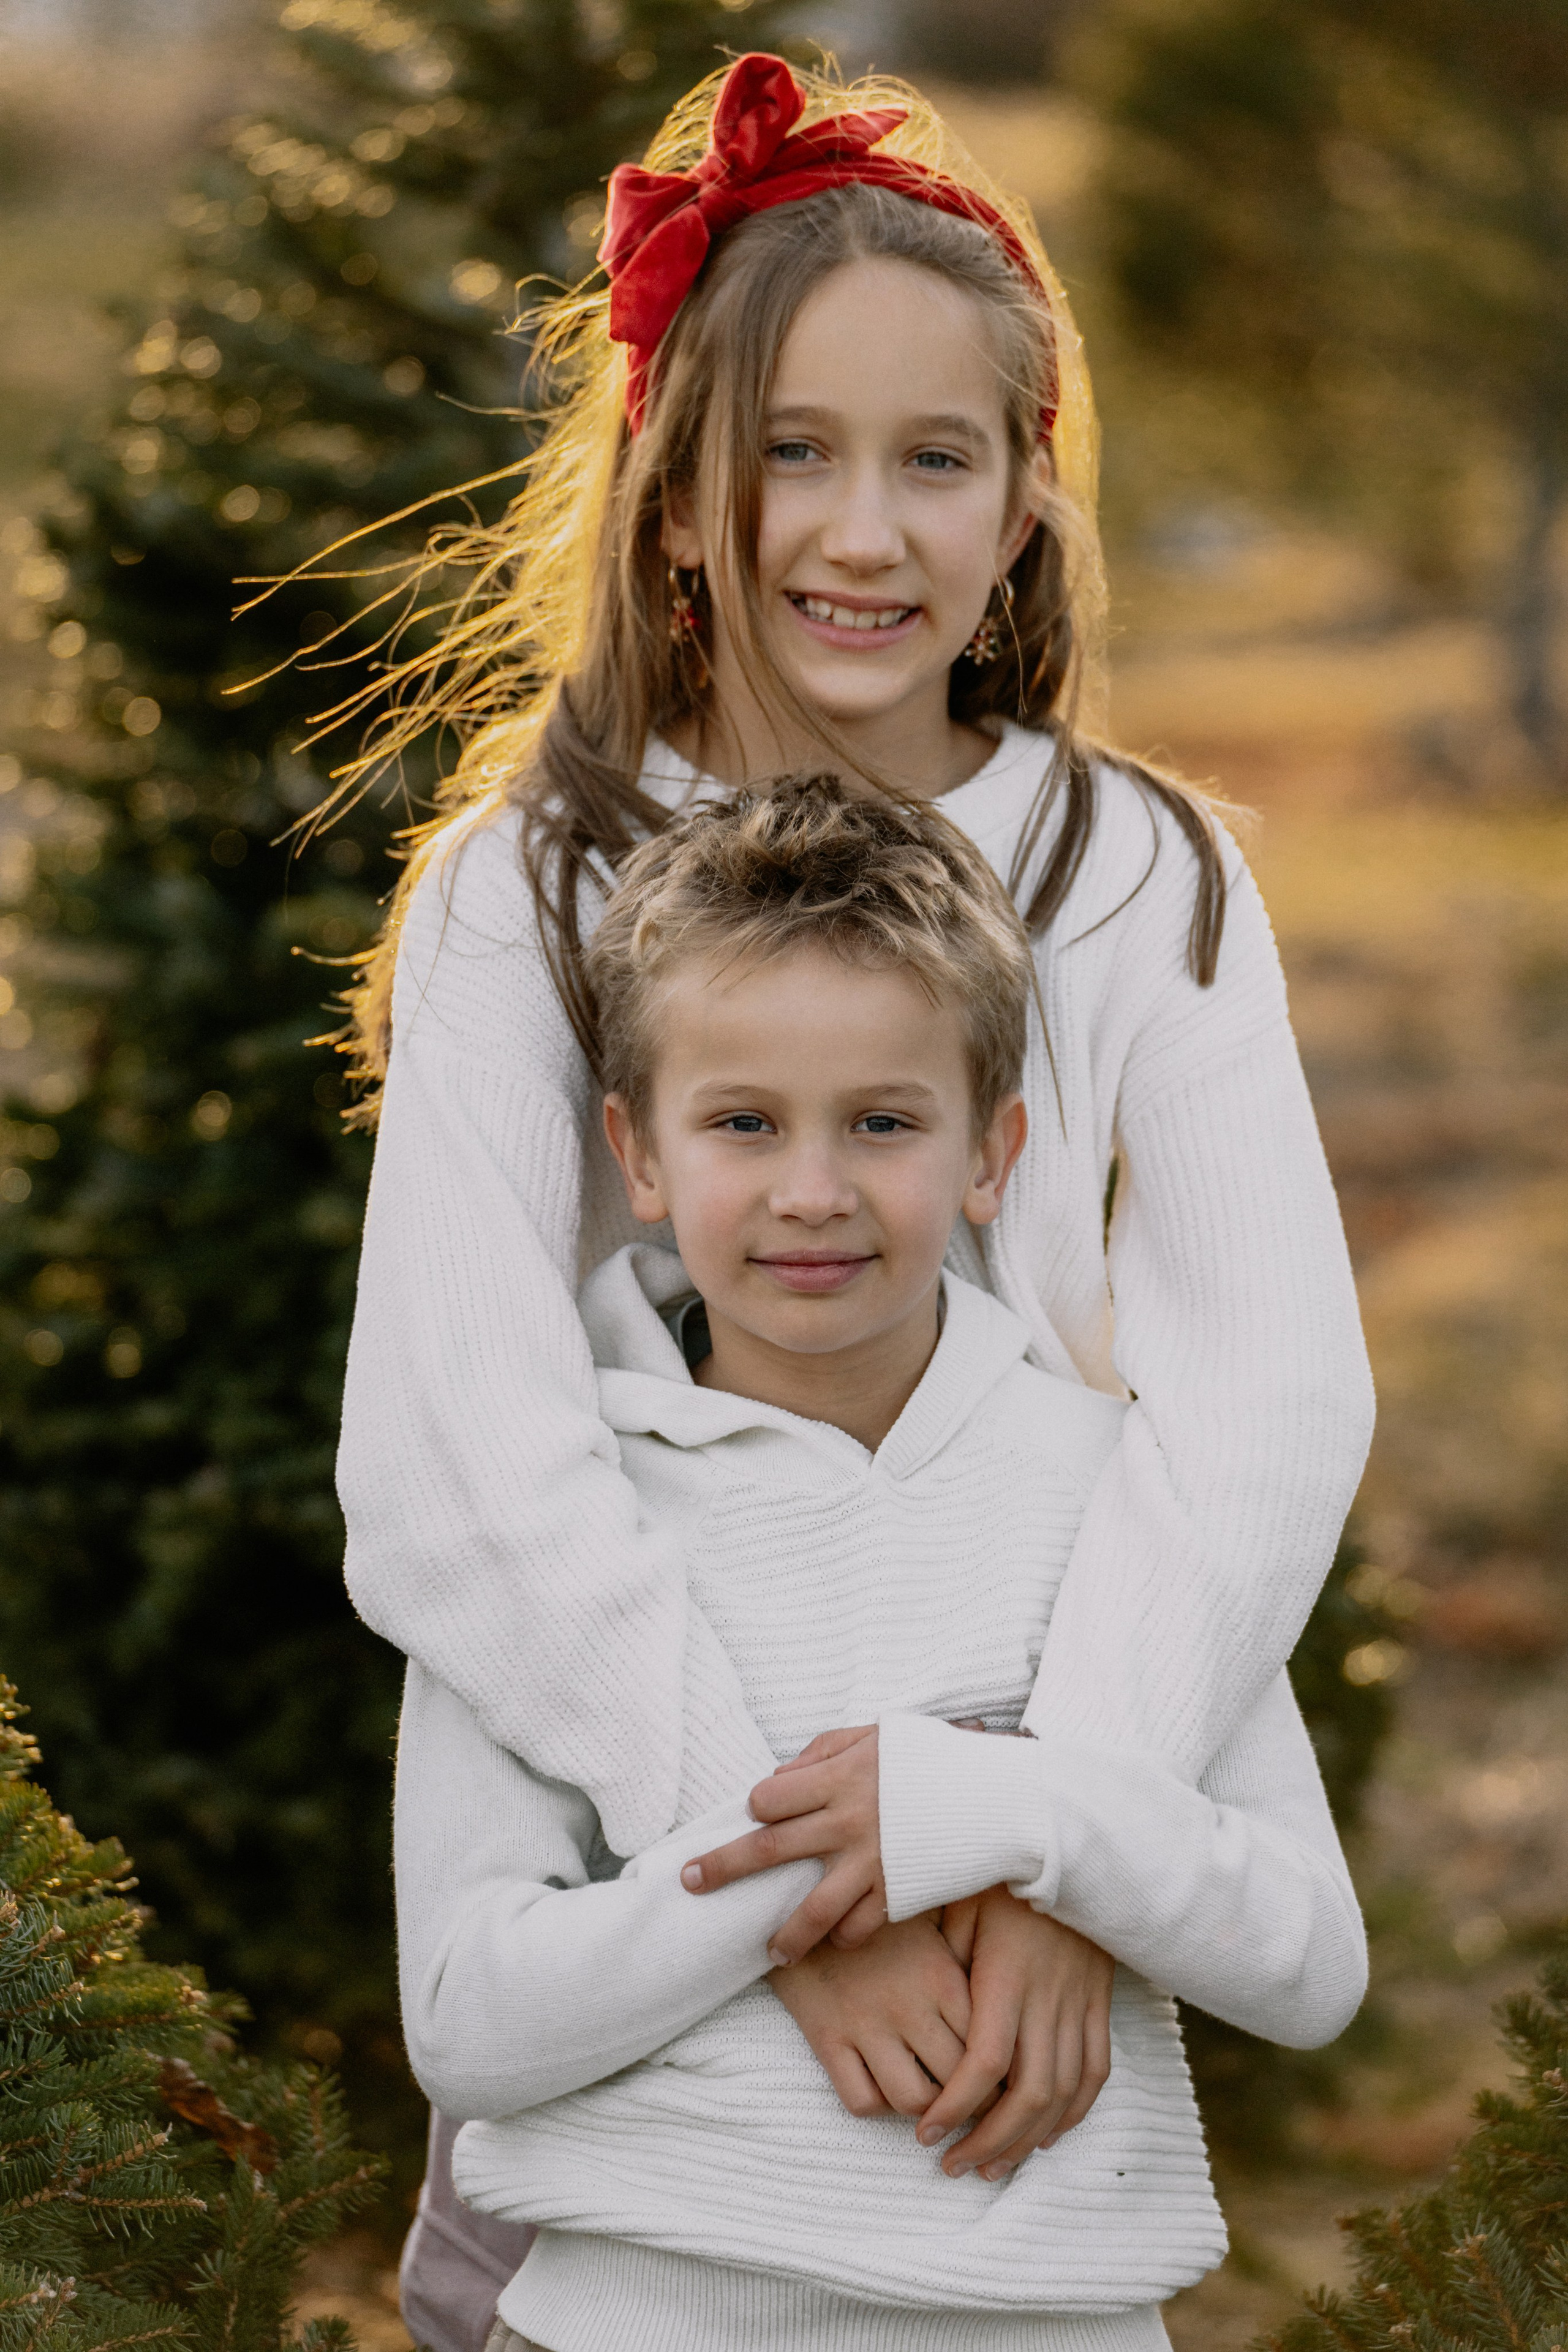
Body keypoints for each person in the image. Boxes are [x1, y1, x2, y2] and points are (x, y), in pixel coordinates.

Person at [334, 50, 1374, 2351]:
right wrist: (783, 1869)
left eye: (934, 459)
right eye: (791, 451)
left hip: (1040, 1850)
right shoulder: (530, 886)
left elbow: (1263, 1404)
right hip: (649, 1846)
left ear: (1027, 506)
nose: (863, 532)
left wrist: (1057, 1838)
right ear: (673, 497)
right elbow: (456, 1450)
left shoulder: (1141, 877)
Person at [393, 777, 1368, 2352]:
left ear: (992, 1154)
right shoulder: (547, 1524)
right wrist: (828, 1870)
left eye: (884, 1123)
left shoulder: (1115, 1495)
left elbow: (1306, 1961)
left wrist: (992, 1808)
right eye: (742, 1123)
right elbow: (466, 2020)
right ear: (637, 1154)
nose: (811, 1191)